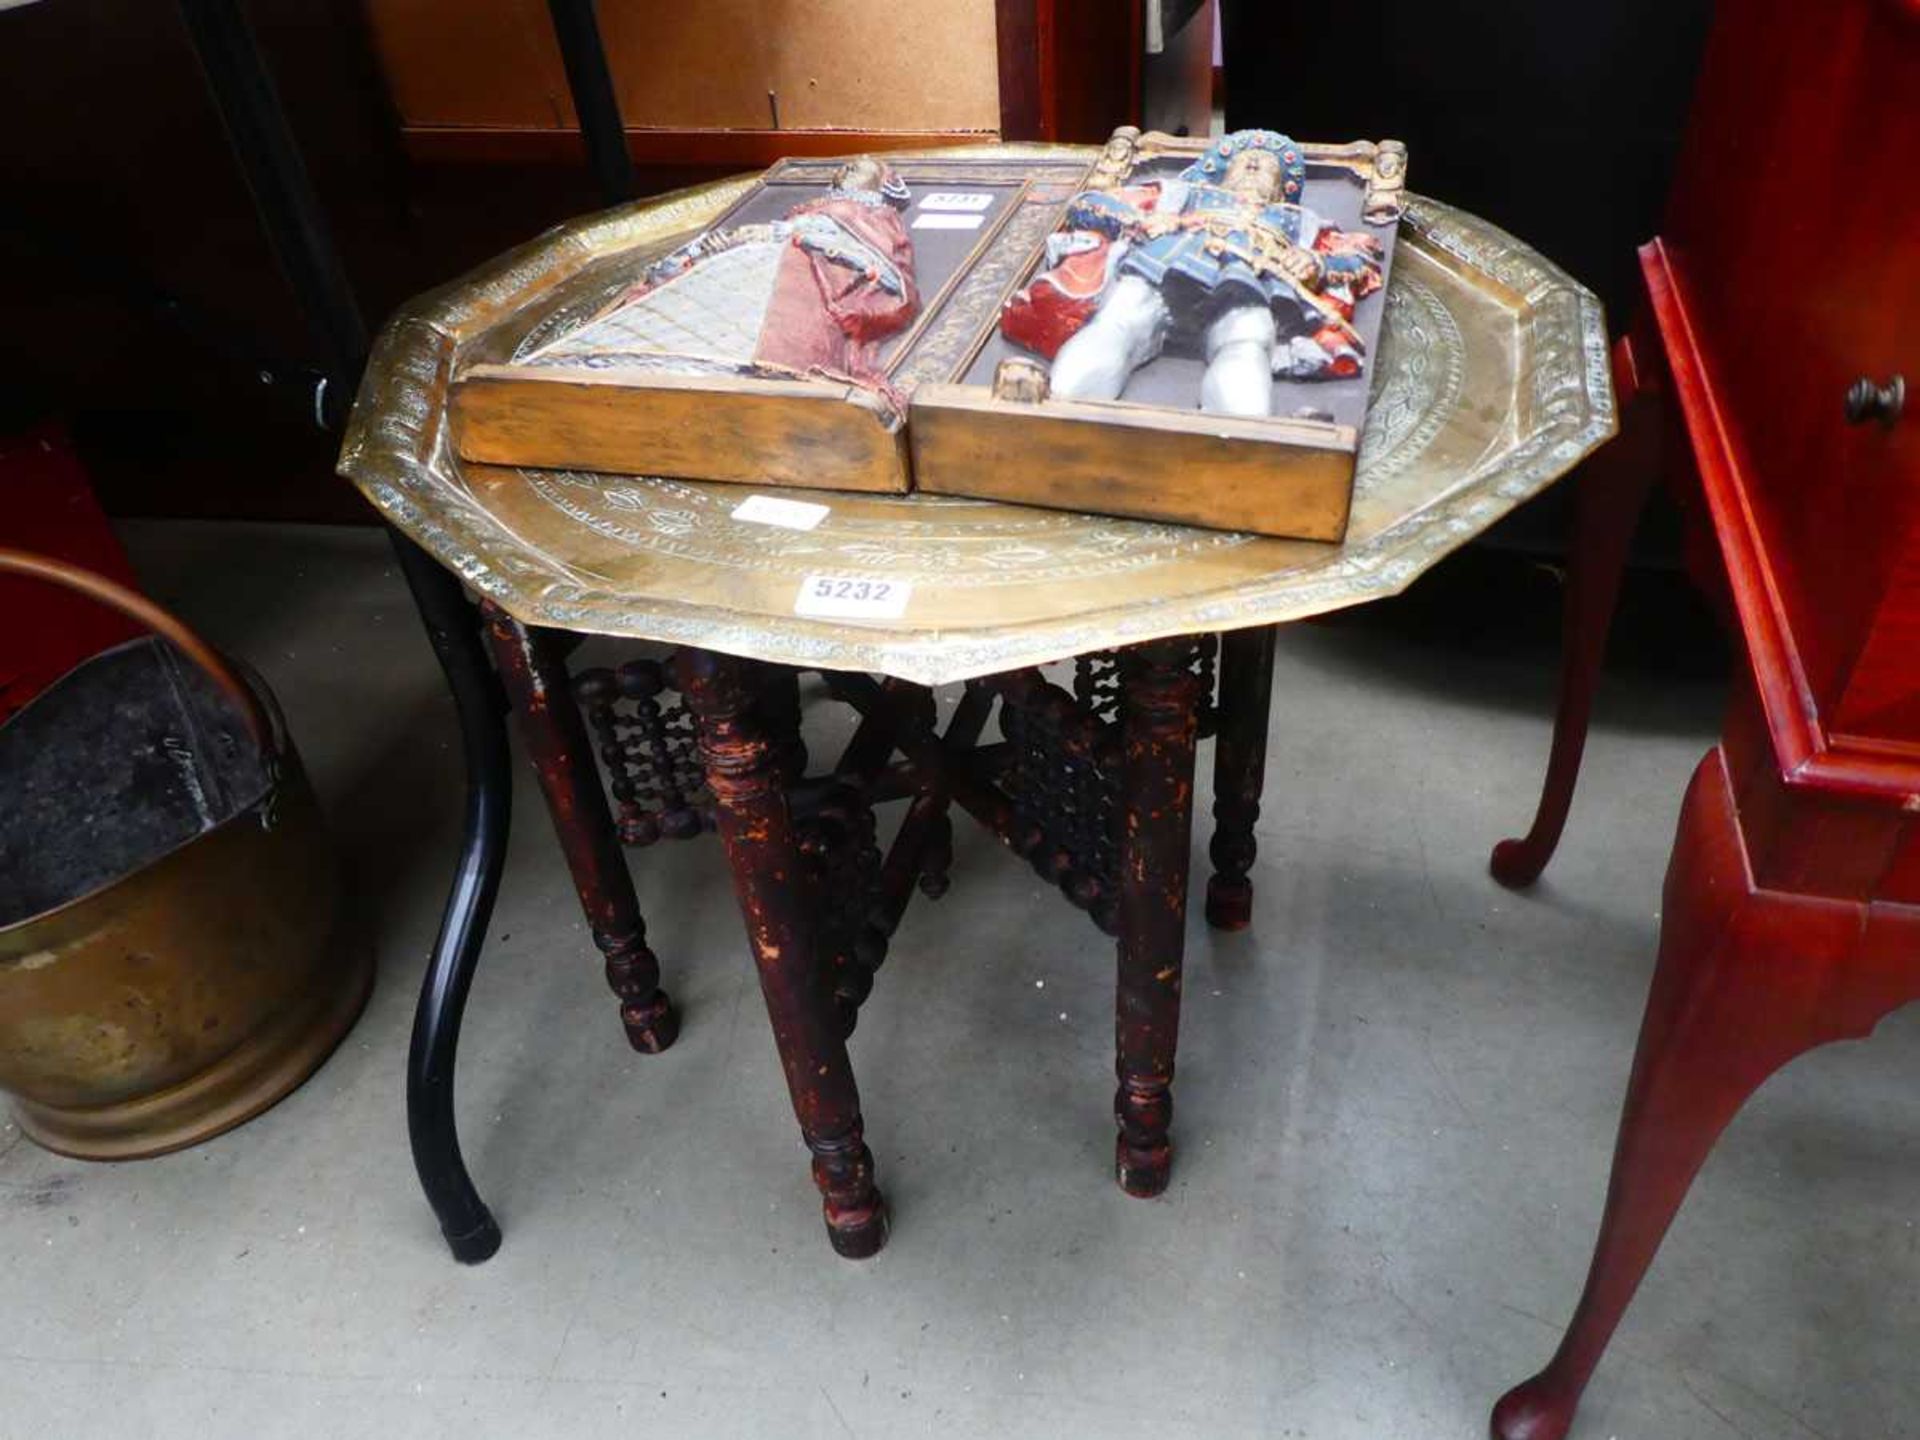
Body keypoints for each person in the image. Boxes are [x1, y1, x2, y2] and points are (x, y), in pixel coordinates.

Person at [1002, 130, 1383, 417]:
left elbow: (1359, 260)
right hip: (1163, 266)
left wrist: (1316, 263)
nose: (1253, 165)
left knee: (1247, 342)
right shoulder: (1176, 194)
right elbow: (1088, 205)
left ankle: (1240, 436)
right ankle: (1061, 407)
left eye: (1267, 165)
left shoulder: (1302, 222)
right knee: (1117, 323)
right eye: (1245, 160)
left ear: (1283, 188)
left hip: (1248, 284)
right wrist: (1141, 220)